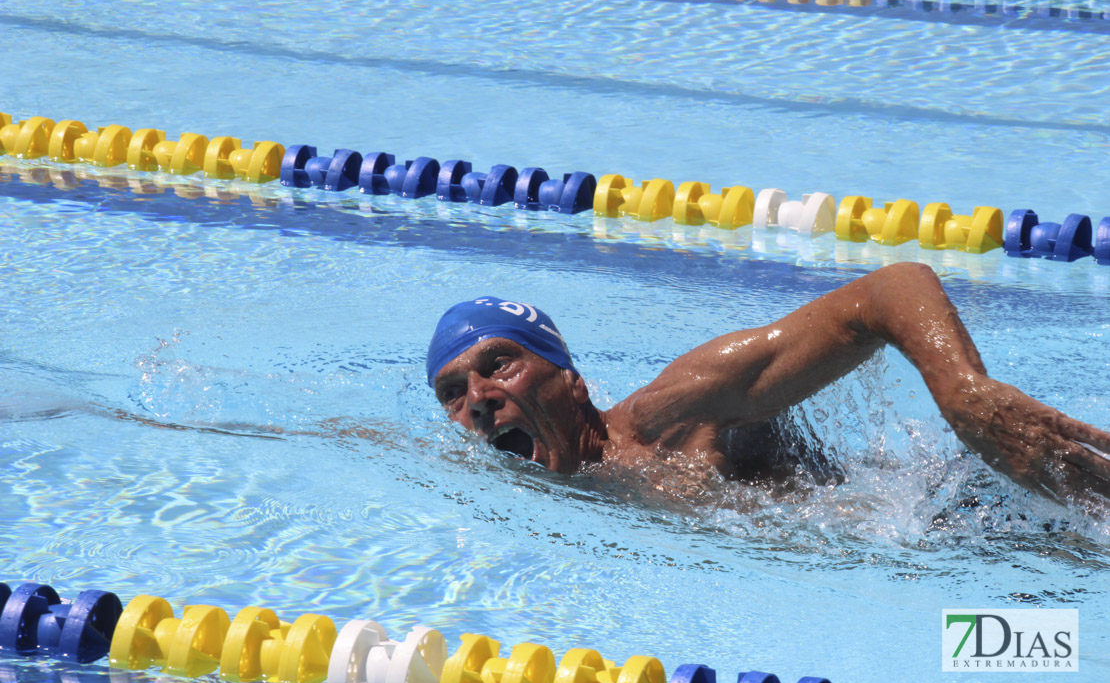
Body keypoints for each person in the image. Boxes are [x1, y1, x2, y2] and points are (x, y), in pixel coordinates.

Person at [427, 263, 1110, 504]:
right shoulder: (533, 488)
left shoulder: (676, 414)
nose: (478, 402)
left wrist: (962, 391)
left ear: (572, 384)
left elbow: (884, 293)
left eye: (499, 365)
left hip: (973, 525)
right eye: (453, 393)